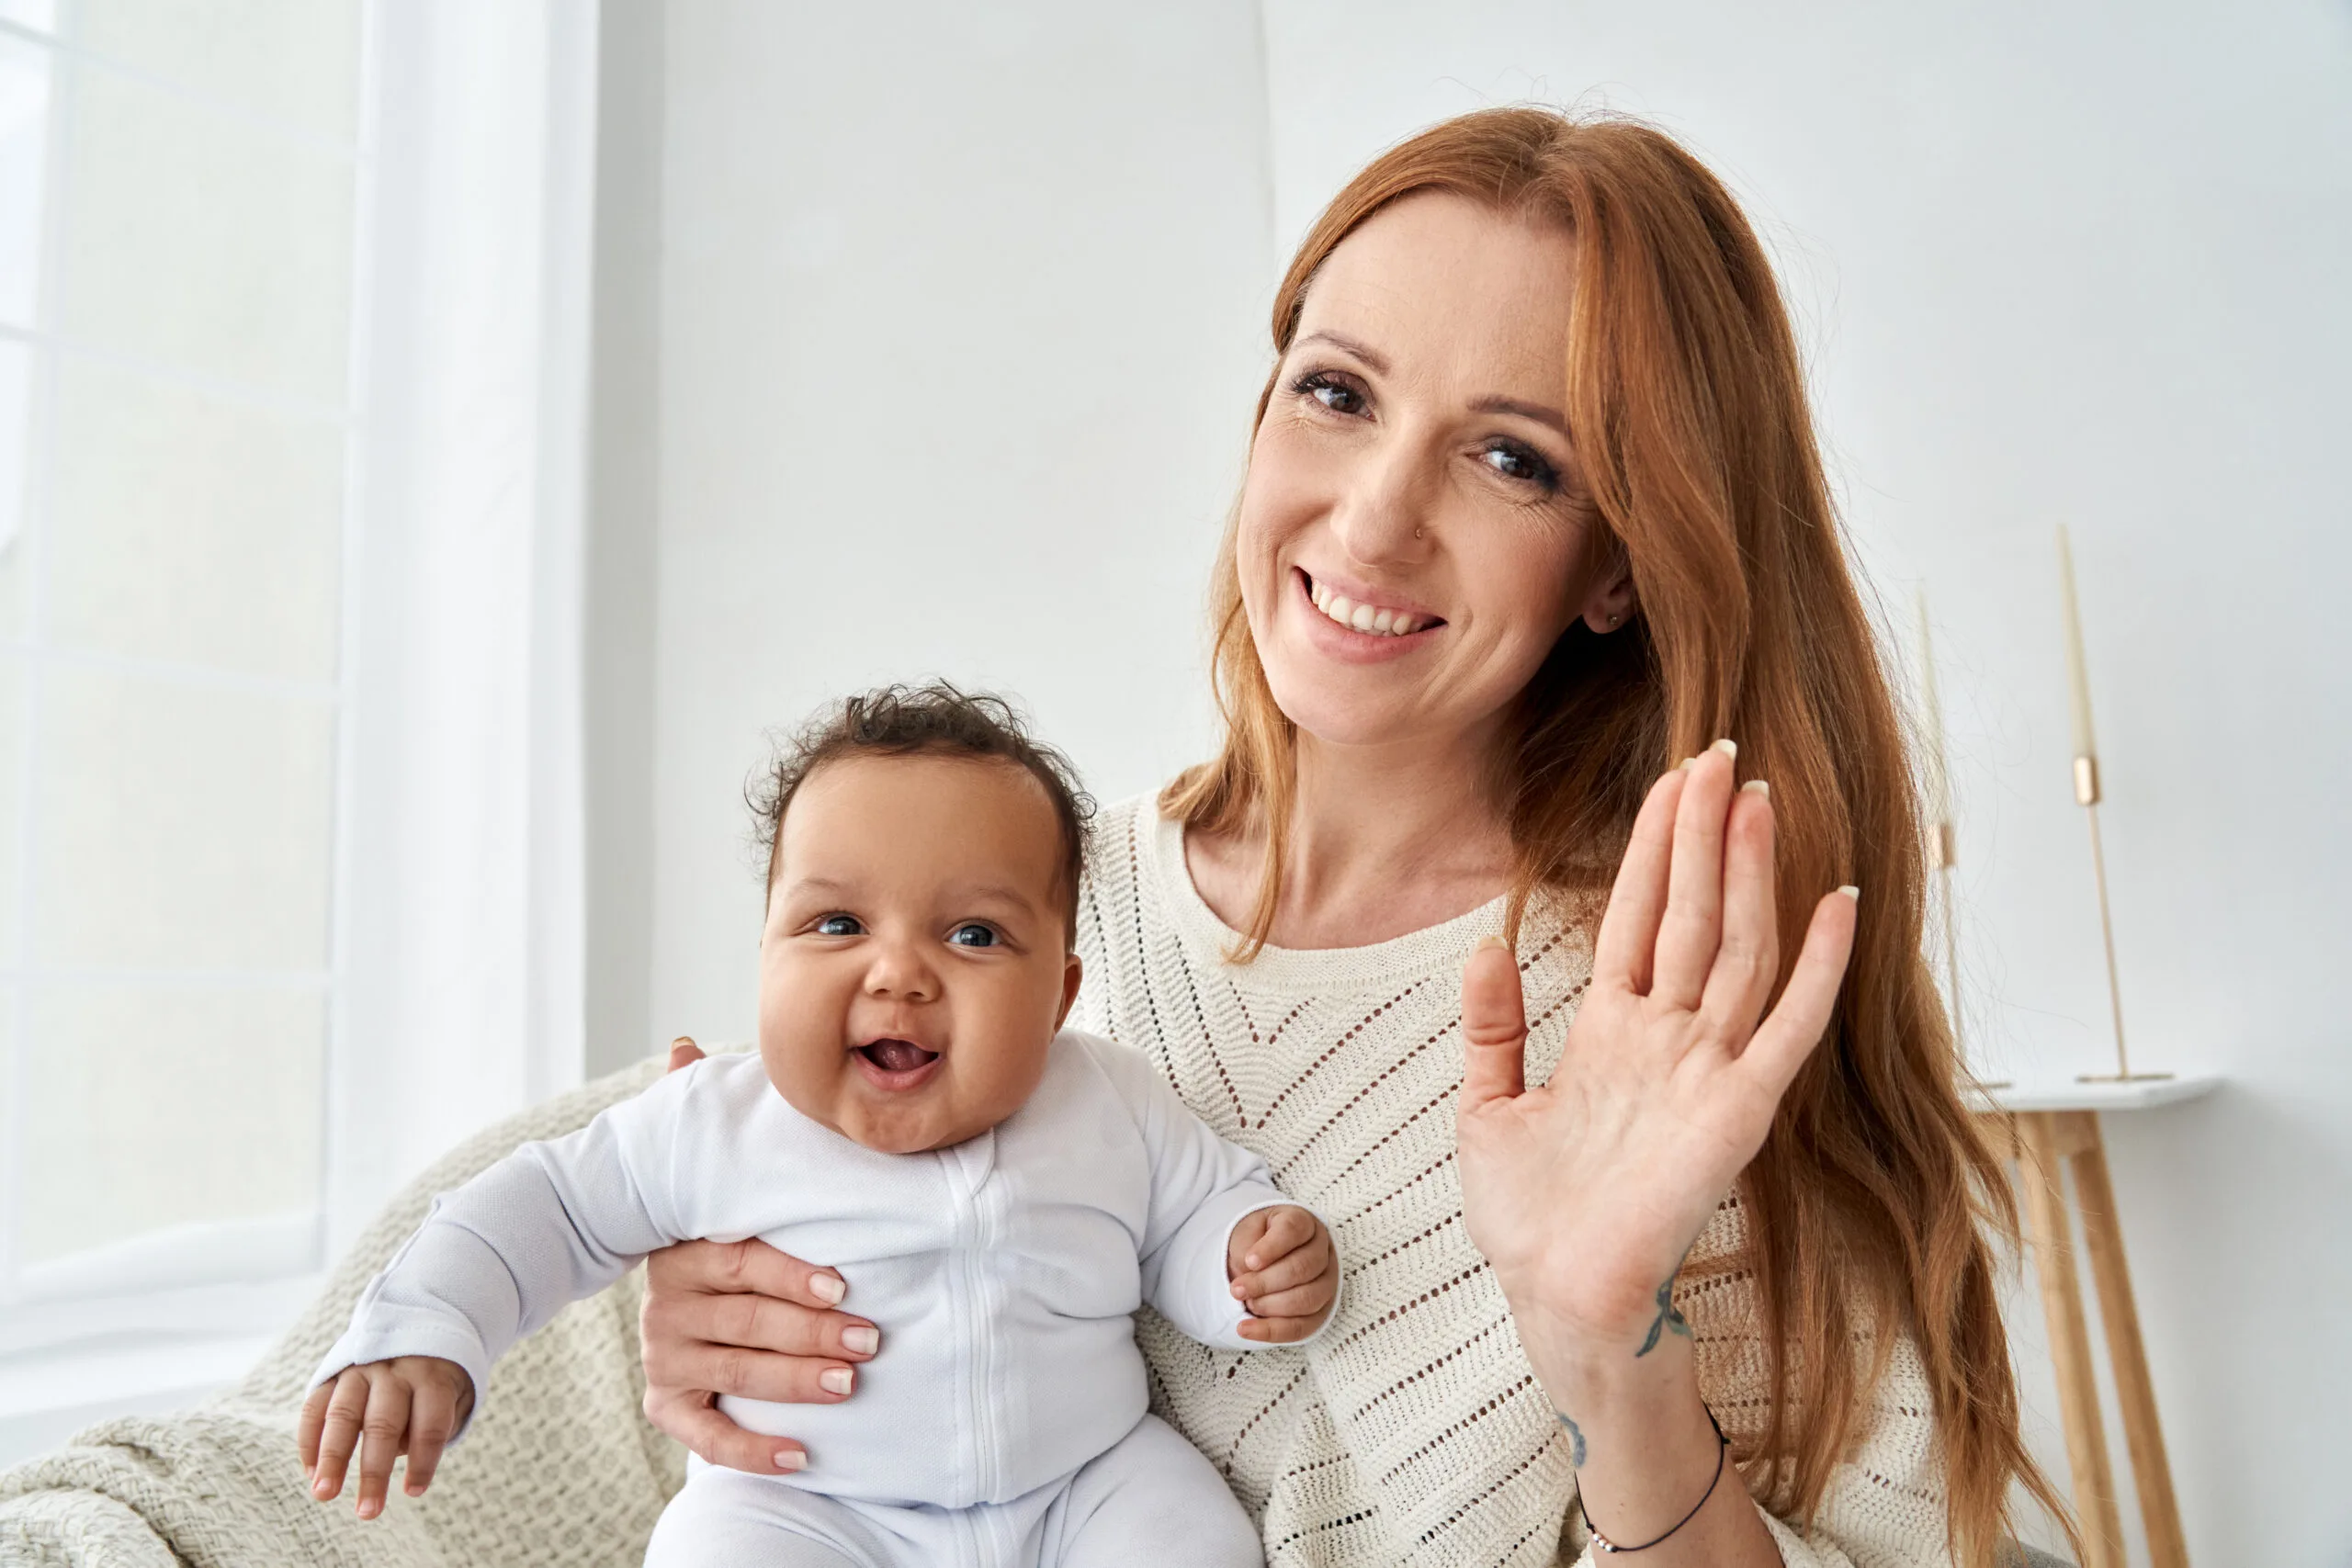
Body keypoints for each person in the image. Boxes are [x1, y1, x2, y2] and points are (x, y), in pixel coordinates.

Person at [639, 109, 2074, 1567]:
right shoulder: (1021, 912)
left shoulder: (1674, 1018)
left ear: (1621, 567)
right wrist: (718, 1323)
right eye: (1336, 392)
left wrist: (1605, 1345)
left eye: (1513, 459)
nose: (1377, 515)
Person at [297, 685, 1340, 1567]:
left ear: (1058, 995)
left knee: (1186, 1531)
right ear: (764, 955)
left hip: (1078, 1489)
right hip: (813, 1511)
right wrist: (430, 1331)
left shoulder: (1108, 1099)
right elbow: (542, 1206)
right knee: (715, 1547)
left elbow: (1199, 1213)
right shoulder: (717, 1121)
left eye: (974, 933)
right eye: (836, 924)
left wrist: (1244, 1269)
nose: (898, 973)